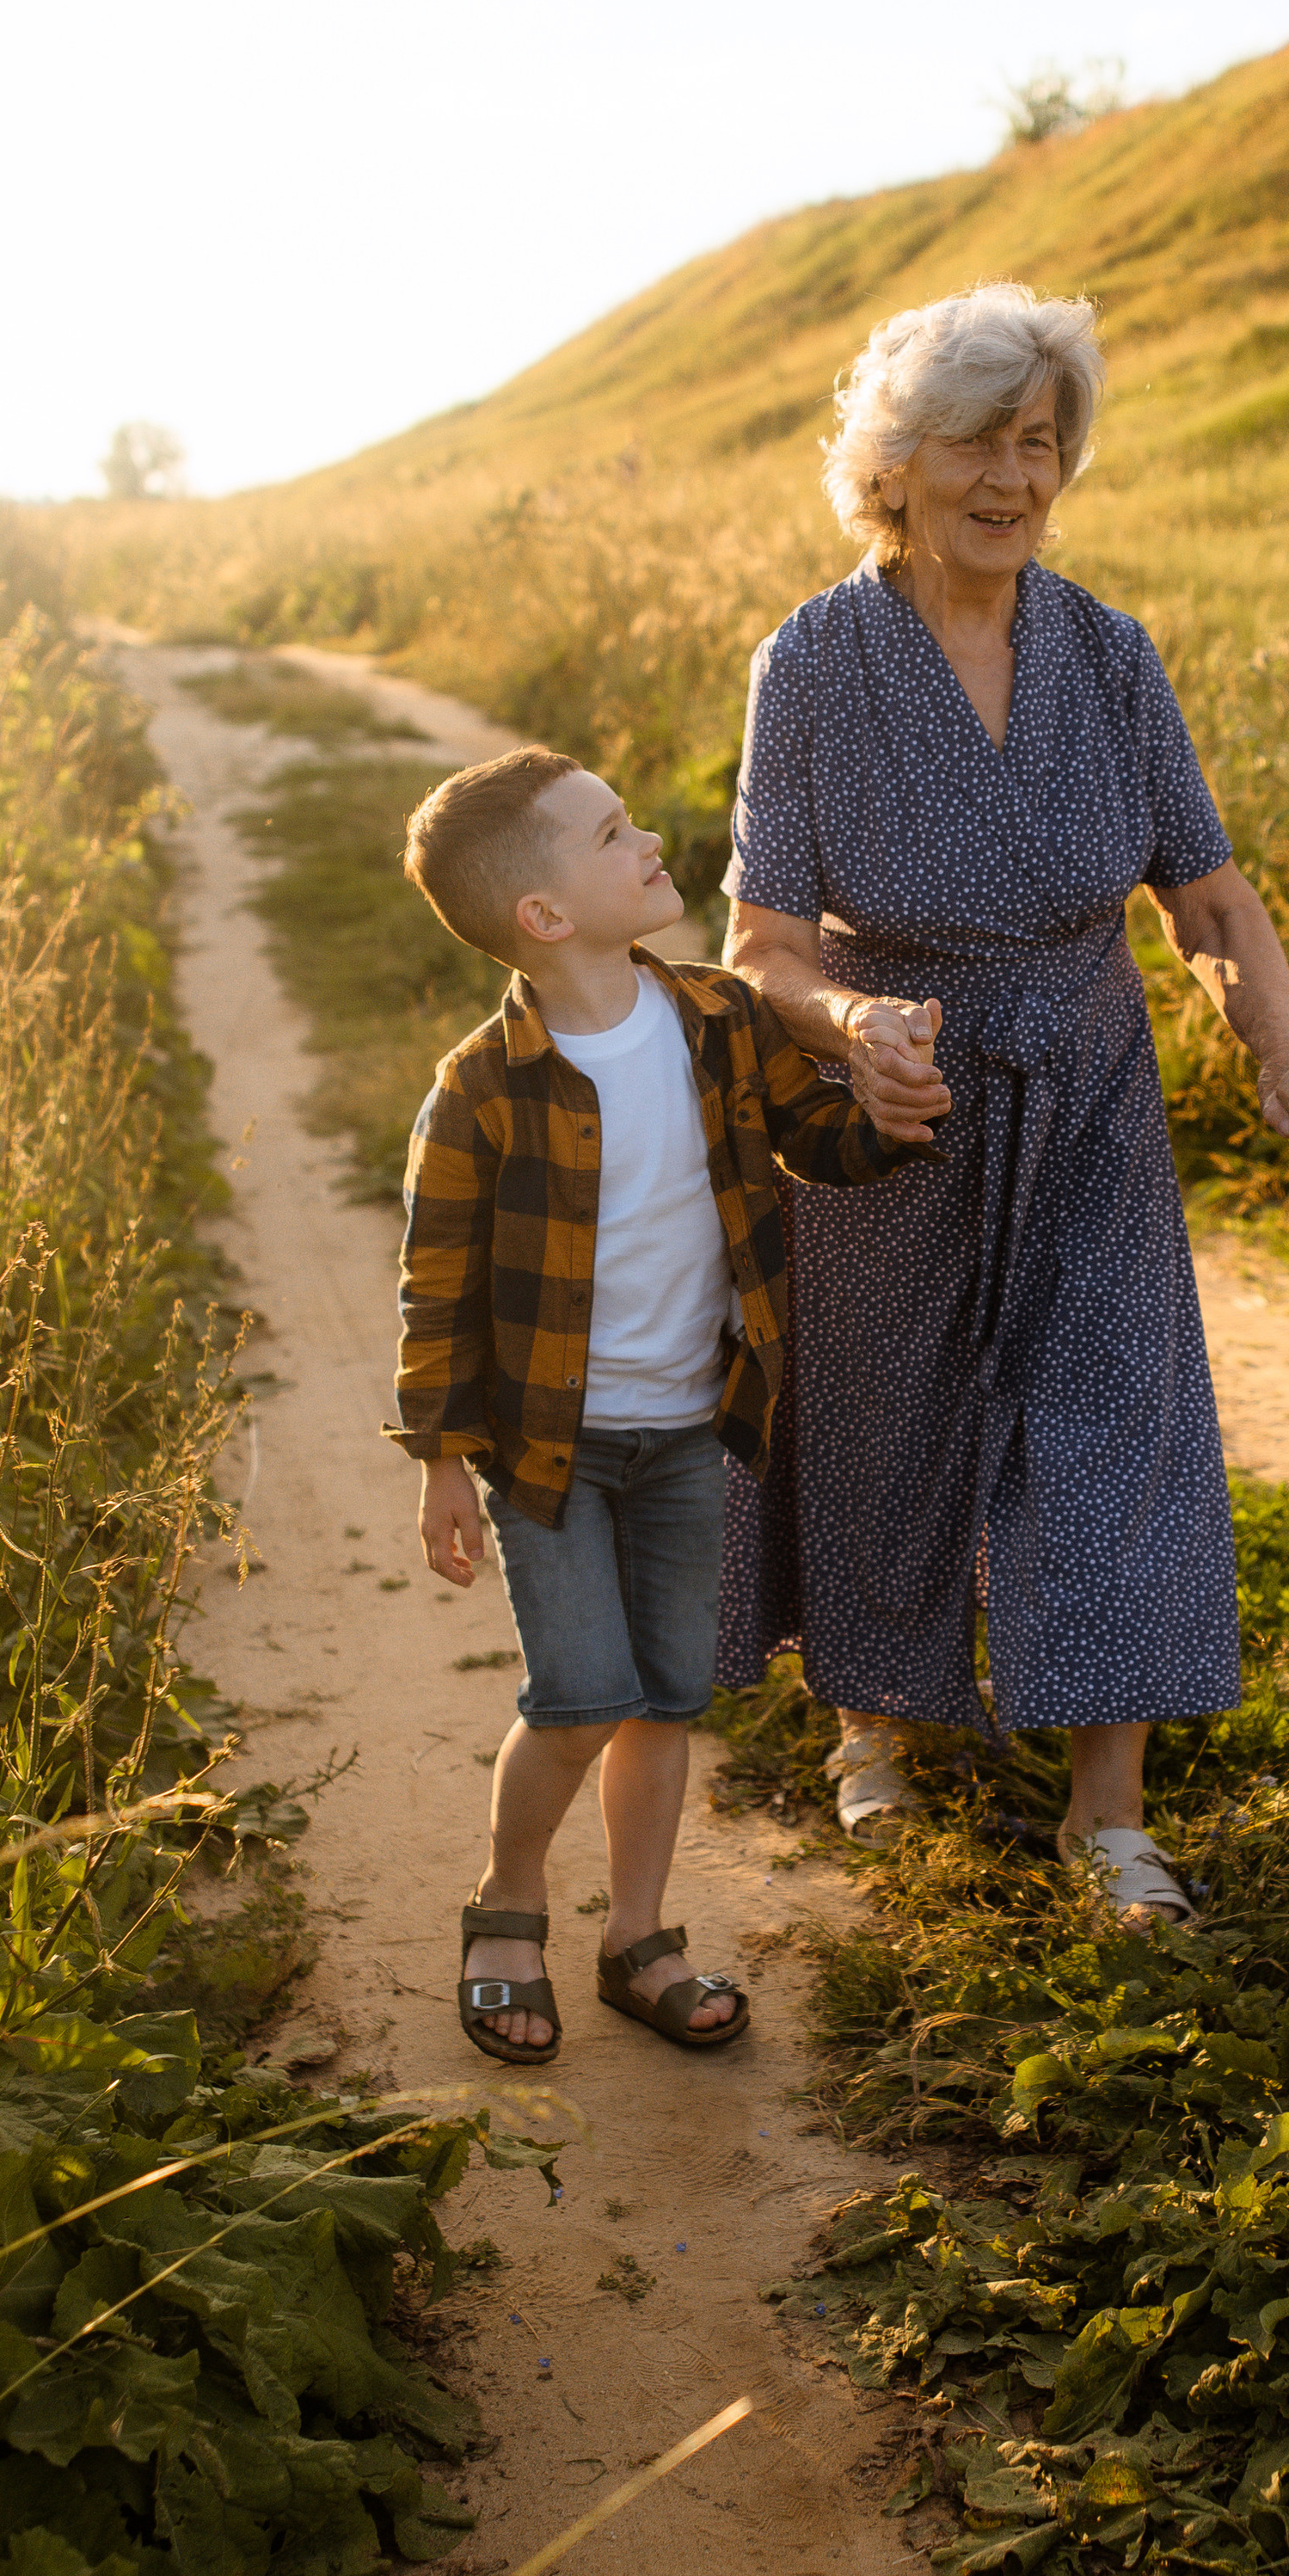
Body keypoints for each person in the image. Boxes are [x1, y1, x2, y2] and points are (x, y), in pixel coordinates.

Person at [717, 281, 1289, 1924]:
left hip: (1085, 1086)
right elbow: (764, 941)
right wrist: (850, 1018)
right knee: (886, 1415)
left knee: (1115, 1425)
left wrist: (1282, 1055)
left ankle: (1109, 1811)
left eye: (1040, 441)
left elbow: (1210, 903)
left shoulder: (1107, 652)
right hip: (897, 1097)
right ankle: (876, 1726)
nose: (1012, 477)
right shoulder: (813, 660)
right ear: (895, 462)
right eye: (973, 441)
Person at [385, 747, 900, 2065]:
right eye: (613, 834)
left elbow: (816, 1140)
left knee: (668, 1694)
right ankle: (507, 1901)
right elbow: (436, 1287)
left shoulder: (720, 1019)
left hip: (687, 1427)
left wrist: (893, 1110)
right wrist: (442, 1460)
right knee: (578, 1694)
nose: (649, 839)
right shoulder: (481, 1087)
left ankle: (638, 1935)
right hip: (545, 1452)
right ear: (544, 916)